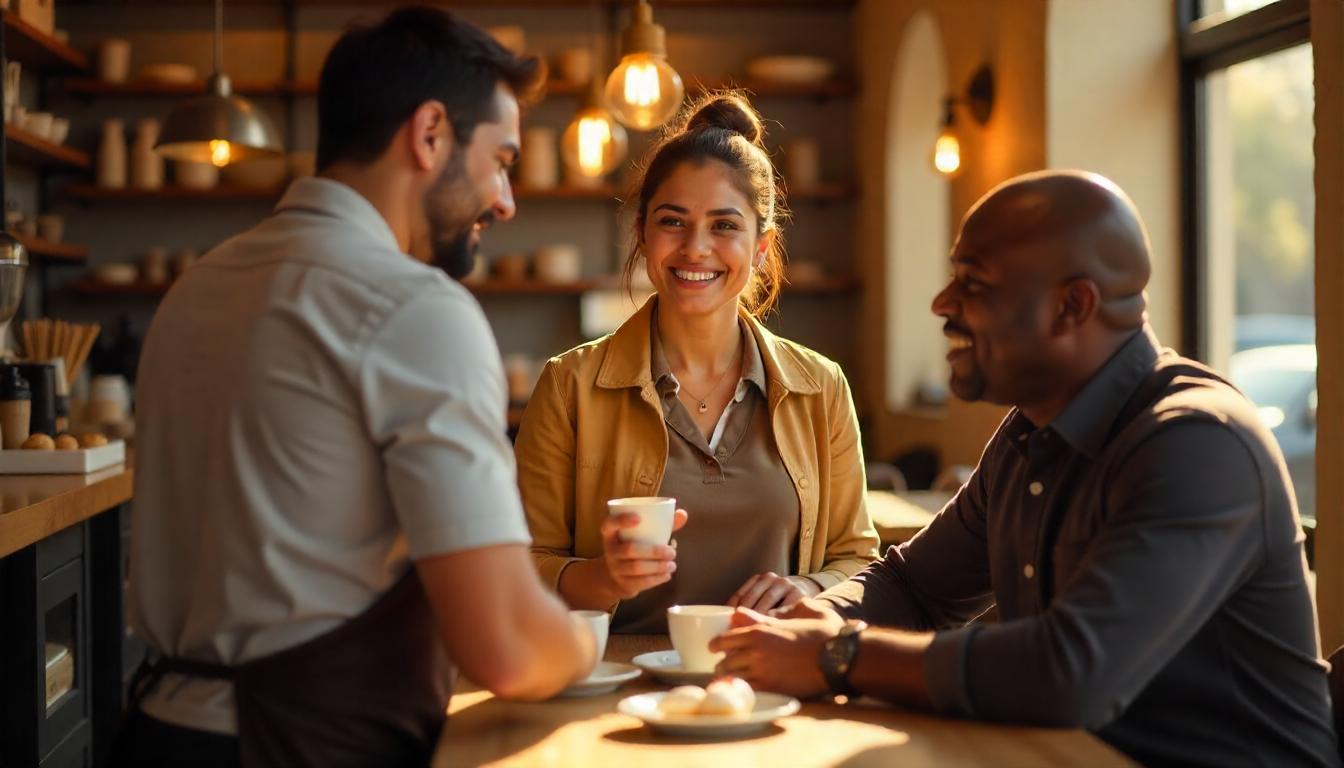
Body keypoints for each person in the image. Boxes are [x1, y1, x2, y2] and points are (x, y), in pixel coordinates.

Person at [710, 170, 1340, 766]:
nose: (941, 303)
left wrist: (839, 655)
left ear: (1073, 306)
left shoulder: (1197, 444)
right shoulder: (1030, 431)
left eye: (974, 284)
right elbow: (915, 587)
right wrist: (816, 619)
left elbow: (1070, 672)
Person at [117, 8, 595, 765]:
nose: (506, 199)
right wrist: (580, 642)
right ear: (429, 133)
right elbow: (505, 646)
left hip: (157, 735)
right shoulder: (417, 309)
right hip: (302, 746)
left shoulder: (196, 288)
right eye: (500, 158)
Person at [514, 92, 879, 634]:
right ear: (641, 232)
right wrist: (602, 579)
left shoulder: (821, 387)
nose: (696, 248)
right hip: (615, 686)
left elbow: (860, 562)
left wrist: (807, 587)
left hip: (774, 685)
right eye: (673, 221)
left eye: (725, 226)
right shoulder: (568, 386)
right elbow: (520, 567)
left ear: (761, 245)